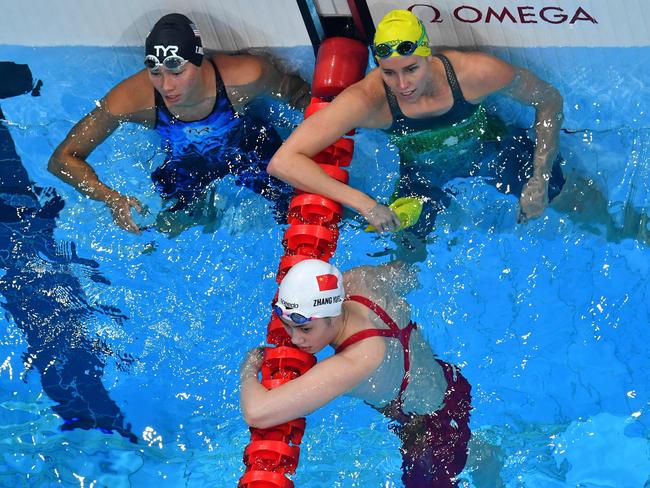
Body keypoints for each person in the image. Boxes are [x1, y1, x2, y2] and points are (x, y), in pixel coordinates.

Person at [267, 9, 565, 248]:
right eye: (389, 73)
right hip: (423, 176)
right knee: (405, 251)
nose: (402, 84)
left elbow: (549, 100)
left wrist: (541, 176)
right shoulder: (368, 100)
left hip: (489, 147)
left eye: (411, 69)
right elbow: (283, 162)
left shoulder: (474, 74)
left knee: (569, 201)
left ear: (427, 55)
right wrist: (365, 203)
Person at [49, 13, 310, 235]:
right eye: (155, 72)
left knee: (298, 210)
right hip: (188, 165)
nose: (166, 86)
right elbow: (62, 159)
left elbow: (300, 95)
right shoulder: (130, 100)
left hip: (249, 145)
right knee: (165, 229)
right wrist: (111, 199)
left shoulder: (245, 77)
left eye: (177, 72)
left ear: (198, 61)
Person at [240, 259, 472, 487]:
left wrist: (248, 369)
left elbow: (257, 412)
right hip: (448, 378)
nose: (295, 339)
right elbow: (411, 273)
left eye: (305, 329)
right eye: (287, 325)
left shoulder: (356, 361)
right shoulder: (359, 279)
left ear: (334, 315)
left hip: (431, 431)